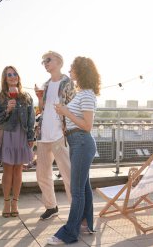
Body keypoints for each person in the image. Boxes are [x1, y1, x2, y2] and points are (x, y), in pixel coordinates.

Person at [48, 56, 101, 245]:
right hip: (76, 141)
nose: (70, 70)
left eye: (72, 67)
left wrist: (66, 112)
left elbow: (87, 125)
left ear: (80, 71)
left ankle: (69, 233)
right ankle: (85, 224)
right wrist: (64, 117)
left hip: (82, 143)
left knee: (76, 190)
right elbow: (76, 121)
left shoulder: (87, 94)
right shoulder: (81, 93)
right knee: (83, 187)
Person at [34, 51, 76, 220]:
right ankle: (51, 206)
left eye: (48, 60)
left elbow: (73, 107)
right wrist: (39, 98)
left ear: (59, 61)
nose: (45, 63)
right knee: (42, 174)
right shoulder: (45, 84)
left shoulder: (68, 83)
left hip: (60, 135)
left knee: (68, 175)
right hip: (44, 136)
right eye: (43, 61)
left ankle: (76, 208)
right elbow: (42, 110)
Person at [0, 66, 35, 218]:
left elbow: (31, 119)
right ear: (4, 78)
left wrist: (31, 137)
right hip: (8, 135)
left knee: (18, 170)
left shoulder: (26, 97)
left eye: (14, 73)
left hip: (22, 135)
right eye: (9, 74)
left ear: (18, 76)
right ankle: (5, 203)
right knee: (8, 170)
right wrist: (7, 110)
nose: (12, 76)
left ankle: (15, 203)